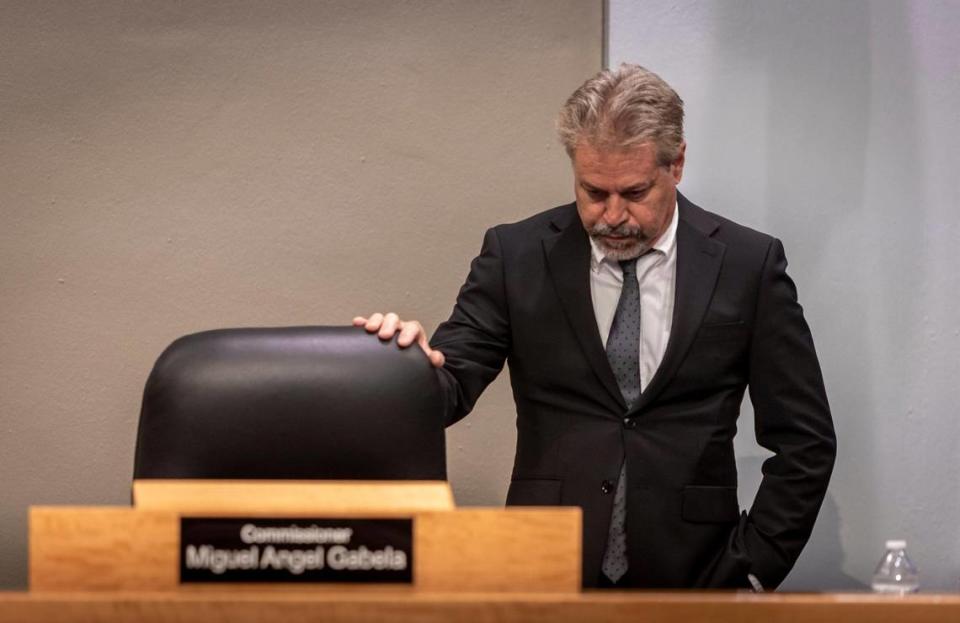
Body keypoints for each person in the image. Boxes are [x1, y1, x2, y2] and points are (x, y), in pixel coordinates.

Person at [354, 64, 836, 589]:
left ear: (676, 165)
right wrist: (398, 366)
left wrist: (753, 571)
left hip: (697, 577)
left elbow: (805, 440)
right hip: (540, 572)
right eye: (592, 191)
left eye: (633, 192)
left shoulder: (748, 264)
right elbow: (449, 387)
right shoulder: (516, 255)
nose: (611, 215)